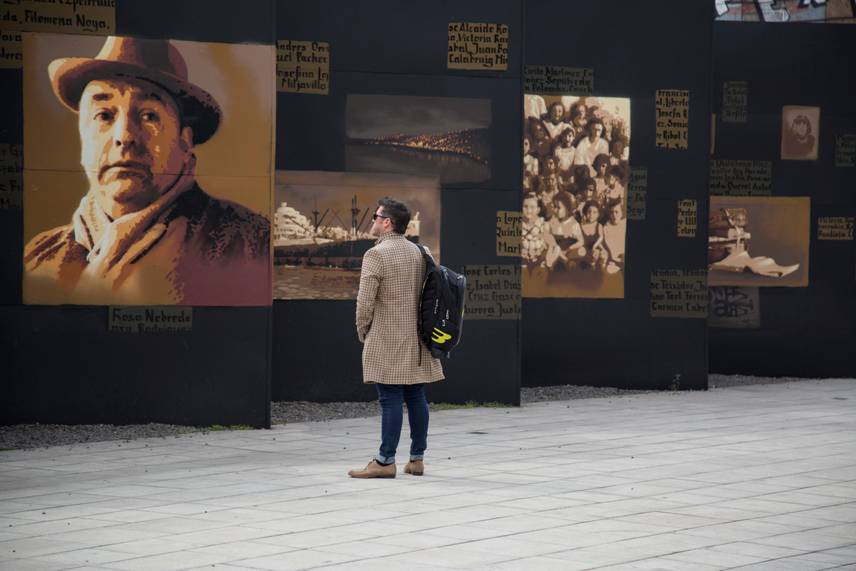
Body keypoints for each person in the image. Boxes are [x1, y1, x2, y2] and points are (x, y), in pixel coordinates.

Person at [23, 36, 269, 305]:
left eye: (149, 115)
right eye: (104, 115)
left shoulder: (249, 244)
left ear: (185, 140)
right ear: (82, 136)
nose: (124, 136)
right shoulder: (39, 256)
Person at [349, 198, 444, 479]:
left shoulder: (376, 254)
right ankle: (417, 459)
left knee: (389, 396)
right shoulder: (420, 252)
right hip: (418, 338)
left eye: (376, 216)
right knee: (416, 394)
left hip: (387, 337)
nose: (373, 221)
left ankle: (384, 461)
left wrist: (363, 330)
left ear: (387, 222)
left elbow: (365, 301)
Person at [601, 202, 626, 274]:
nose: (614, 215)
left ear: (621, 213)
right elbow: (611, 247)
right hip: (617, 259)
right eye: (612, 212)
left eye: (616, 212)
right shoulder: (606, 227)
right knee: (609, 270)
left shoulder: (625, 223)